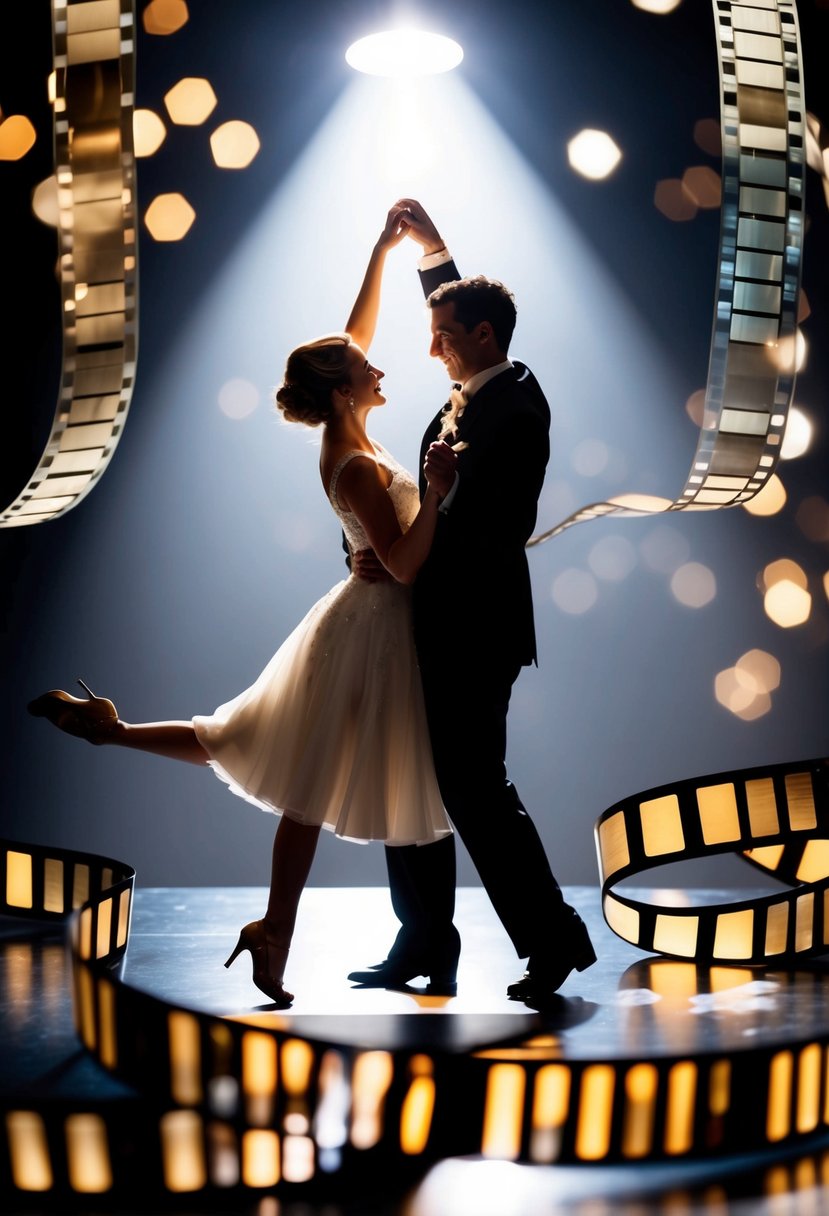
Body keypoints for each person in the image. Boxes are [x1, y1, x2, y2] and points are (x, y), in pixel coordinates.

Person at [27, 206, 459, 1008]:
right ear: (341, 390)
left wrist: (381, 250)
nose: (384, 371)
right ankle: (283, 933)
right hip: (378, 629)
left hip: (362, 627)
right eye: (368, 370)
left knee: (277, 756)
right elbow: (399, 567)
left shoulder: (347, 430)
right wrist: (434, 495)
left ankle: (119, 735)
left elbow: (348, 336)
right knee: (300, 777)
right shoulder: (358, 463)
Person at [347, 199, 596, 1008]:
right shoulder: (483, 374)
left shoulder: (514, 411)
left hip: (473, 631)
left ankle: (553, 941)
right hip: (432, 621)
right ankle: (423, 938)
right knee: (410, 775)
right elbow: (462, 312)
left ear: (484, 340)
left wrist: (404, 552)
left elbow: (495, 531)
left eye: (445, 338)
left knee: (473, 791)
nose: (431, 350)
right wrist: (432, 251)